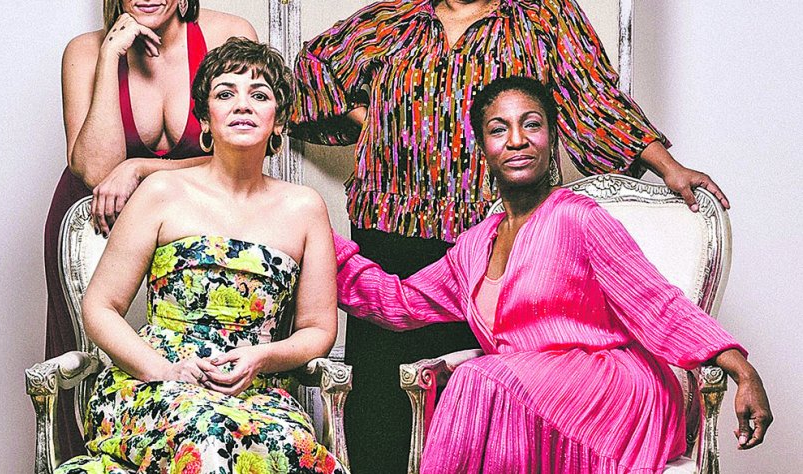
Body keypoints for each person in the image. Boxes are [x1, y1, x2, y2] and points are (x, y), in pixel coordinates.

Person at [290, 1, 731, 469]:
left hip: (505, 252)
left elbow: (595, 100)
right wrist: (309, 221)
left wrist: (668, 167)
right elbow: (313, 69)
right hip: (392, 229)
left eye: (529, 126)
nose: (517, 139)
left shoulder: (543, 17)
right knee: (384, 411)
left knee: (485, 393)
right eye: (500, 130)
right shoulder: (392, 19)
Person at [54, 38, 347, 474]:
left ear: (279, 121)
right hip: (155, 385)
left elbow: (318, 328)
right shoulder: (161, 192)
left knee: (287, 450)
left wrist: (261, 358)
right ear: (205, 118)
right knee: (210, 438)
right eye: (225, 93)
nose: (242, 105)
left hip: (255, 393)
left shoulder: (305, 208)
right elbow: (100, 307)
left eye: (259, 95)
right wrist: (162, 370)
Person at [45, 0, 256, 457]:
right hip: (95, 222)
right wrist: (110, 56)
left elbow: (241, 151)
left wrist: (140, 167)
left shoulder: (228, 33)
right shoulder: (84, 51)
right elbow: (94, 169)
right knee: (85, 365)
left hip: (191, 221)